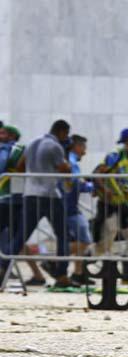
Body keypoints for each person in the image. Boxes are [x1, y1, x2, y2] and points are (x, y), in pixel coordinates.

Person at [0, 120, 73, 286]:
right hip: (50, 195)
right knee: (63, 235)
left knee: (21, 236)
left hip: (30, 194)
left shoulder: (32, 142)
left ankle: (2, 266)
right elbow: (64, 168)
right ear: (62, 132)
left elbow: (20, 166)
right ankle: (61, 274)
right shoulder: (55, 147)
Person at [93, 133, 128, 284]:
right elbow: (97, 174)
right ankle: (85, 264)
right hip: (109, 205)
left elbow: (125, 183)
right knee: (105, 242)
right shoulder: (115, 156)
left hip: (123, 206)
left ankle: (127, 278)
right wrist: (104, 190)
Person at [64, 135, 94, 285]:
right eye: (83, 147)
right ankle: (54, 259)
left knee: (78, 240)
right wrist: (94, 187)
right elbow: (77, 184)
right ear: (76, 146)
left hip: (68, 206)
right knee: (84, 240)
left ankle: (78, 273)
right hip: (69, 207)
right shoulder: (71, 161)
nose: (85, 152)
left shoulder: (70, 160)